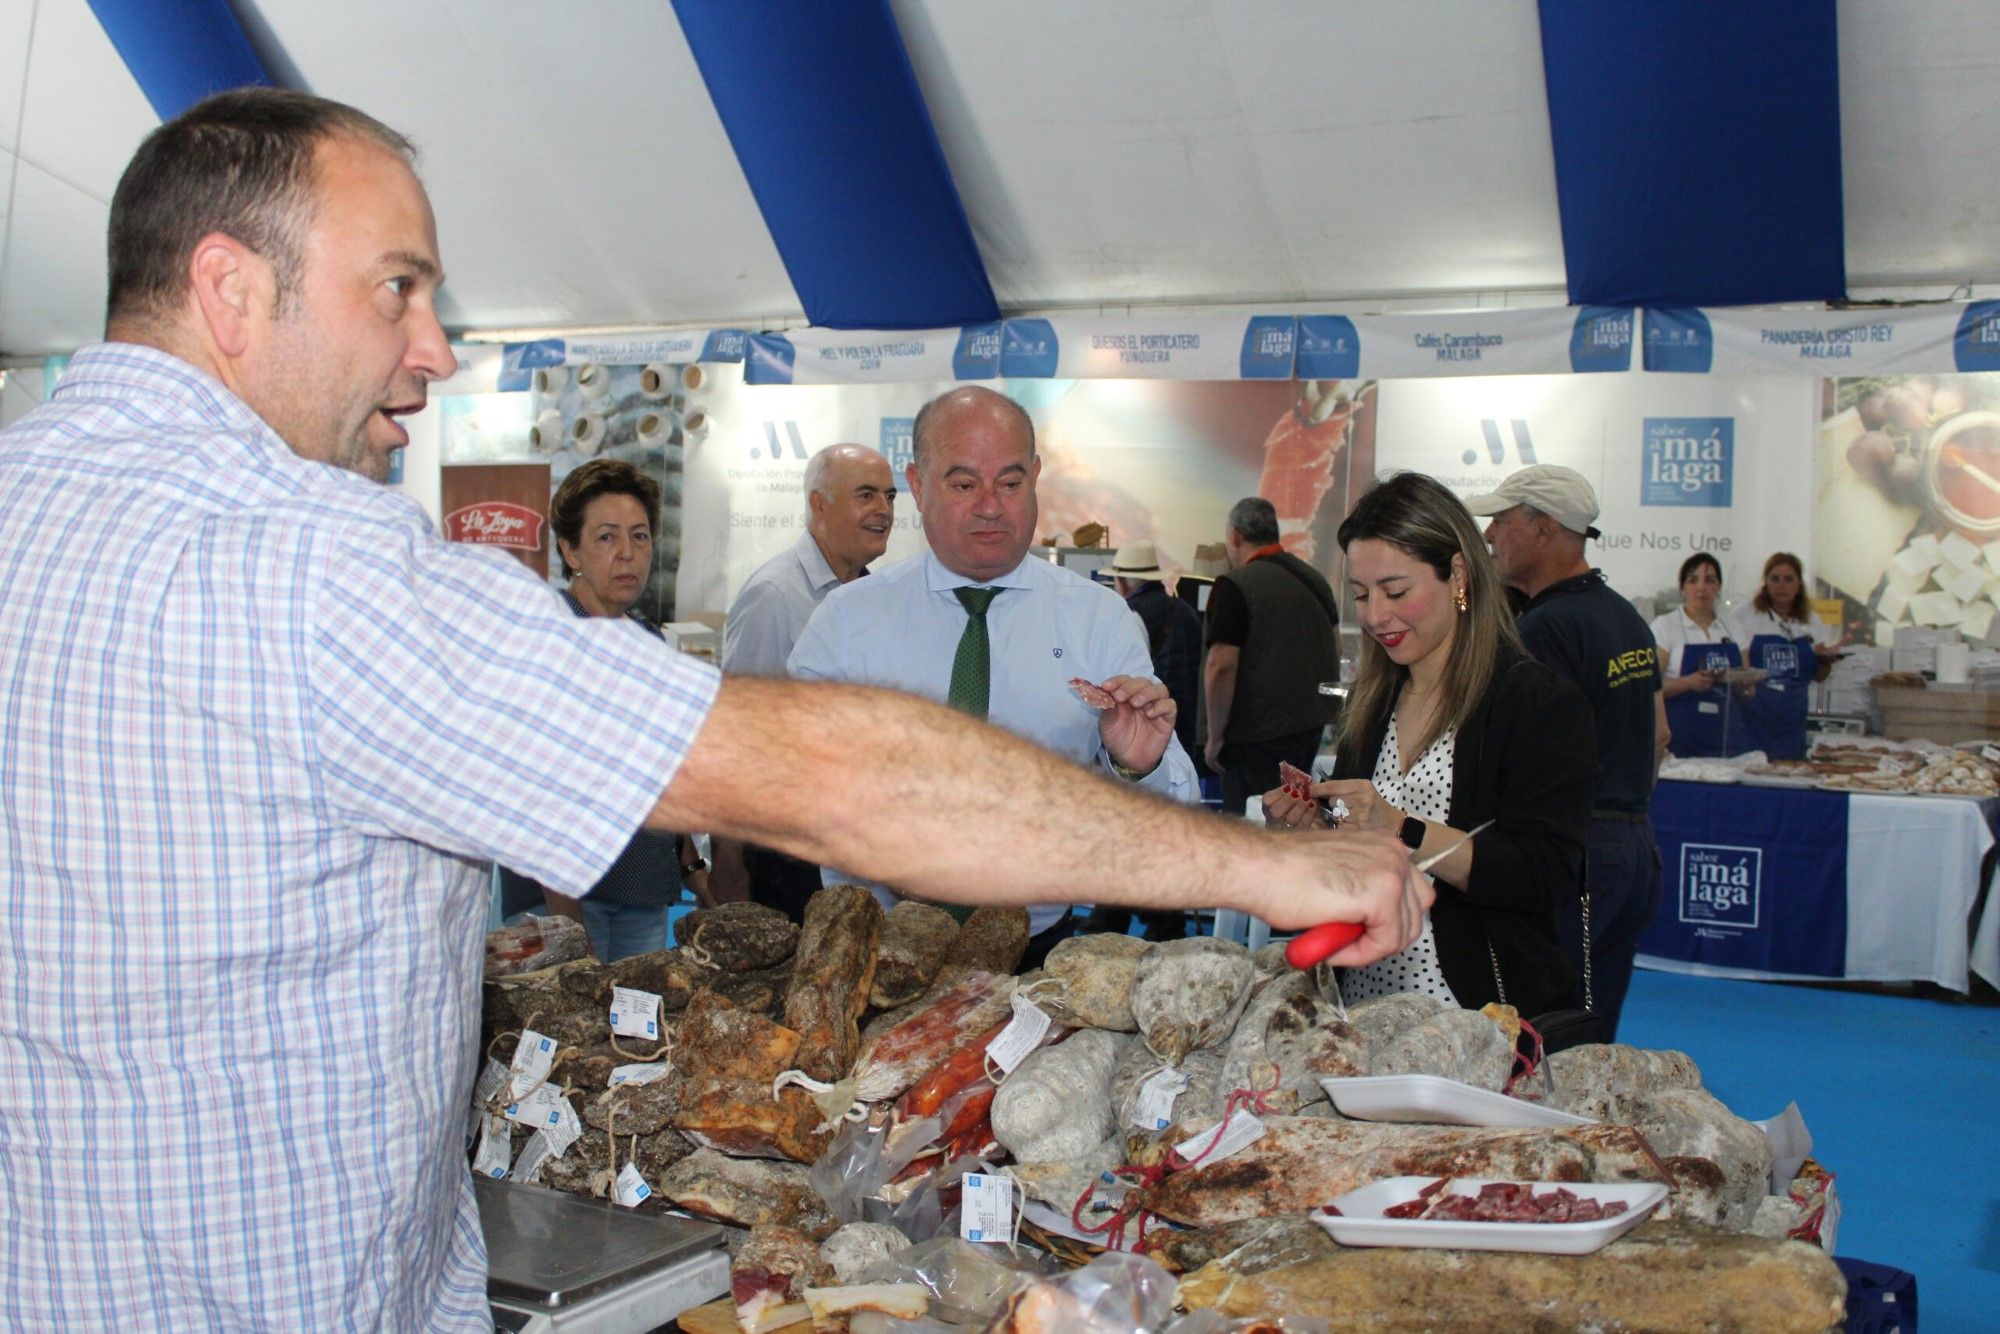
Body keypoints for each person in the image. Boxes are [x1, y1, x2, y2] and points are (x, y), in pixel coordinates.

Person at [0, 88, 1429, 1328]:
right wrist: (1263, 861)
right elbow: (834, 781)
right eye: (397, 288)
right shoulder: (308, 566)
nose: (435, 347)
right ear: (231, 289)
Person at [790, 386, 1200, 969]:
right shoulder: (845, 624)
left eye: (1010, 483)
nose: (990, 506)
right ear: (918, 484)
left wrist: (1139, 765)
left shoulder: (1099, 620)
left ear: (1036, 477)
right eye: (963, 485)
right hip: (870, 949)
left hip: (1036, 954)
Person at [1264, 472, 1595, 1016]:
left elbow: (1541, 875)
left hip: (1476, 1020)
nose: (1375, 616)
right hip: (1364, 1010)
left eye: (1396, 592)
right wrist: (1313, 838)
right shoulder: (1372, 705)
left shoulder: (1535, 701)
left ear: (1458, 574)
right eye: (1362, 595)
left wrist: (1399, 827)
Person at [1468, 465, 1667, 1038]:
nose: (1488, 536)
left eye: (1501, 521)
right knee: (1594, 1030)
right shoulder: (1625, 616)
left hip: (1580, 855)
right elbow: (1660, 735)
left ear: (1544, 528)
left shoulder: (1546, 628)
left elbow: (1522, 753)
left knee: (1548, 1032)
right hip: (1632, 848)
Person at [496, 458, 704, 959]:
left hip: (641, 889)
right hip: (562, 897)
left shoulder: (649, 640)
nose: (628, 554)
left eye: (640, 536)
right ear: (570, 550)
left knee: (635, 1033)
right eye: (607, 538)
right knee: (564, 1029)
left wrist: (698, 876)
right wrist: (569, 931)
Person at [714, 442, 896, 919]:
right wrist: (729, 863)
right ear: (819, 504)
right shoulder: (774, 596)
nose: (883, 510)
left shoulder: (871, 598)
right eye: (866, 495)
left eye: (890, 496)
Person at [1204, 496, 1341, 814]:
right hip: (1310, 729)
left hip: (1255, 738)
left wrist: (1214, 737)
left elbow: (1220, 665)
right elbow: (1334, 646)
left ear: (1235, 537)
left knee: (1253, 823)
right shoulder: (1315, 580)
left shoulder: (1235, 586)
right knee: (1298, 818)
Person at [1103, 538, 1205, 938]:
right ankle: (1166, 923)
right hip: (1179, 743)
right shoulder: (1187, 614)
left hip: (1143, 745)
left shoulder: (1129, 618)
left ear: (1126, 581)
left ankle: (1116, 920)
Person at [1726, 551, 1839, 760]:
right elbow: (1734, 668)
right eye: (1775, 579)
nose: (1782, 585)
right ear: (1766, 583)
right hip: (1751, 719)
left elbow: (1819, 676)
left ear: (1799, 585)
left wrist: (1825, 660)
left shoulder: (1812, 621)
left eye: (1789, 579)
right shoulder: (1745, 615)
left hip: (1792, 721)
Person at [1651, 552, 1743, 757]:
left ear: (1718, 587)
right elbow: (1650, 688)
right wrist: (1688, 683)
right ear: (1682, 587)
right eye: (1693, 580)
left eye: (1710, 580)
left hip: (1728, 741)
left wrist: (1743, 685)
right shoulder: (1666, 626)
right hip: (1680, 741)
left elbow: (1748, 686)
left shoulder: (1733, 627)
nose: (1701, 587)